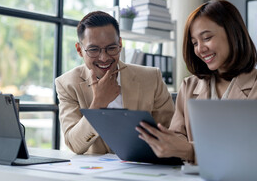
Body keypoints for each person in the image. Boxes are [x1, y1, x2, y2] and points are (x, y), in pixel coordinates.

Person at [136, 0, 257, 164]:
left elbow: (253, 151)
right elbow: (178, 138)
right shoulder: (189, 86)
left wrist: (189, 150)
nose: (200, 49)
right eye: (194, 43)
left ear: (232, 33)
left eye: (206, 38)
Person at [55, 11, 175, 155]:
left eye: (111, 48)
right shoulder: (67, 84)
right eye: (93, 50)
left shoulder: (151, 78)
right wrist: (98, 103)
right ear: (80, 50)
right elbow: (75, 144)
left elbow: (172, 133)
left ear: (120, 44)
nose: (104, 58)